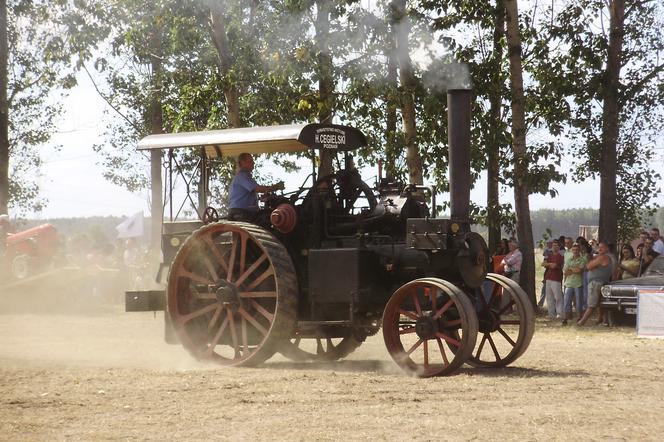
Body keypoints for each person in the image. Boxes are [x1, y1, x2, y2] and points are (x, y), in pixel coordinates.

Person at [228, 153, 284, 221]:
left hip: (242, 212)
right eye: (251, 161)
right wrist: (275, 187)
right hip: (241, 213)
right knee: (267, 219)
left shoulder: (242, 176)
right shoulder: (242, 175)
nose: (253, 163)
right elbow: (257, 189)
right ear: (242, 163)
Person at [577, 241, 613, 326]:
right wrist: (593, 264)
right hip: (599, 282)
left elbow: (588, 266)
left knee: (591, 304)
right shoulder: (602, 257)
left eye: (602, 247)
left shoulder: (603, 257)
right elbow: (590, 265)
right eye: (599, 247)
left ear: (607, 248)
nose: (599, 249)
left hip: (597, 282)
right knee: (600, 303)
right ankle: (604, 320)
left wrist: (593, 264)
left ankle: (582, 322)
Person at [563, 243, 588, 324]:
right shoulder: (568, 259)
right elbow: (565, 271)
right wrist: (574, 269)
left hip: (578, 283)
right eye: (573, 250)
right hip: (569, 283)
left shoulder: (583, 259)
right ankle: (567, 317)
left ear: (579, 250)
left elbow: (579, 270)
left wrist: (571, 269)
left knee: (578, 302)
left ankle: (579, 317)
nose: (575, 251)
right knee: (567, 301)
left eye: (577, 250)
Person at [542, 240, 564, 320]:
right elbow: (543, 264)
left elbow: (555, 266)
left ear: (558, 247)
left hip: (556, 278)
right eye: (553, 245)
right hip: (548, 277)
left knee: (558, 297)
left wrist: (549, 264)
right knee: (549, 297)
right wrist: (549, 264)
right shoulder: (549, 255)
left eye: (556, 245)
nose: (554, 247)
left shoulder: (560, 256)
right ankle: (551, 314)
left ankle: (560, 313)